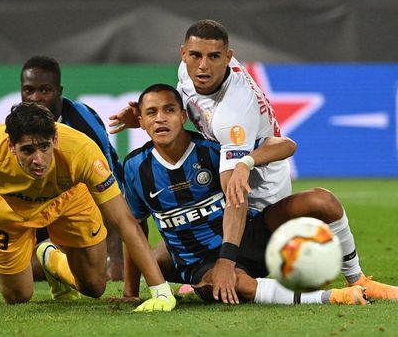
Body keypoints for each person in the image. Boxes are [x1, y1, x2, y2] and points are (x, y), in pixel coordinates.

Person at [109, 20, 398, 302]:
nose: (203, 66)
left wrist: (225, 260)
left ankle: (357, 281)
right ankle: (205, 280)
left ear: (228, 58)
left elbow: (240, 192)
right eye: (195, 55)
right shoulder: (186, 77)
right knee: (158, 261)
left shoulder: (231, 116)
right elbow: (134, 225)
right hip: (232, 198)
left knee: (315, 204)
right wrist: (151, 118)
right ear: (183, 53)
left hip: (261, 199)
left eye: (213, 57)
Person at [122, 83, 367, 305]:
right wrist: (130, 292)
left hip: (248, 236)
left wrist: (245, 162)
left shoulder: (211, 150)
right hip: (199, 262)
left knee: (321, 200)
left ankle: (358, 279)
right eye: (152, 113)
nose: (161, 119)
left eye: (169, 110)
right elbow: (134, 227)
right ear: (141, 121)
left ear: (183, 116)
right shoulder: (135, 168)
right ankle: (333, 297)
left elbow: (287, 145)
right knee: (227, 285)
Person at [0, 102, 175, 313]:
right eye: (27, 150)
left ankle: (51, 259)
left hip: (70, 200)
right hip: (8, 209)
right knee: (17, 297)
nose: (38, 159)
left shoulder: (81, 151)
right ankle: (48, 257)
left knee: (94, 287)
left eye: (44, 147)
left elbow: (124, 221)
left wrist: (160, 290)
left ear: (55, 140)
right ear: (11, 145)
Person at [0, 56, 124, 281]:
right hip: (39, 200)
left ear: (59, 91)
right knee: (22, 275)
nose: (35, 98)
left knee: (95, 275)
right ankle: (51, 255)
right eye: (28, 91)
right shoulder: (22, 123)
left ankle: (109, 268)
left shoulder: (82, 124)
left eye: (44, 91)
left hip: (79, 200)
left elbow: (110, 184)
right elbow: (8, 171)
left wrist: (116, 268)